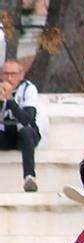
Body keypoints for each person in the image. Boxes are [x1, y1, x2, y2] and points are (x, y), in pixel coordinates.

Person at [1, 58, 40, 192]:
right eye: (5, 74)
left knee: (26, 131)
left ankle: (29, 177)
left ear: (21, 75)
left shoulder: (28, 89)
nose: (9, 78)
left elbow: (27, 119)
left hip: (25, 135)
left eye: (13, 74)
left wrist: (10, 101)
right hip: (5, 134)